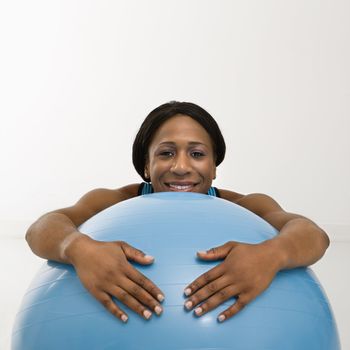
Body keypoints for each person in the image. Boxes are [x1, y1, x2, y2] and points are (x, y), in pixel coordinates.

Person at [26, 101, 330, 324]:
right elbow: (42, 228)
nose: (181, 167)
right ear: (146, 165)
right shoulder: (114, 201)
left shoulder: (246, 206)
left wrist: (272, 254)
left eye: (197, 154)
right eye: (166, 153)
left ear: (213, 167)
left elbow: (313, 235)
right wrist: (79, 248)